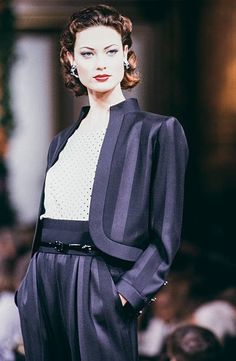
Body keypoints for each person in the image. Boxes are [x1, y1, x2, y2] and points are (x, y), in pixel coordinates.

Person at [15, 4, 188, 361]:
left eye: (111, 51)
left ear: (126, 55)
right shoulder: (62, 139)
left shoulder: (157, 131)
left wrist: (131, 290)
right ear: (71, 60)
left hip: (101, 279)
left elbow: (166, 233)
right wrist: (28, 287)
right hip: (44, 276)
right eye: (88, 53)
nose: (101, 63)